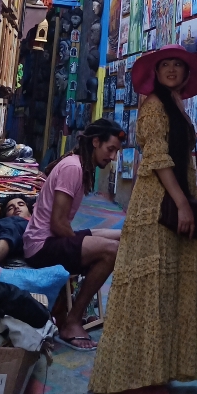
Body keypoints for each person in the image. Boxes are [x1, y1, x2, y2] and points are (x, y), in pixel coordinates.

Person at [89, 45, 197, 394]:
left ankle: (156, 370)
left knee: (167, 287)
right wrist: (182, 204)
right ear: (155, 73)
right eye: (165, 65)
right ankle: (136, 378)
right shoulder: (154, 106)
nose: (171, 70)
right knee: (149, 289)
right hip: (158, 204)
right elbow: (157, 159)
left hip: (173, 199)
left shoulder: (176, 104)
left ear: (185, 74)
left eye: (177, 65)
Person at [24, 118, 124, 350]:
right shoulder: (73, 168)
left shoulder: (78, 166)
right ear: (96, 142)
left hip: (53, 238)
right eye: (110, 149)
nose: (112, 157)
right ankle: (72, 322)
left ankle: (71, 313)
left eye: (116, 152)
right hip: (41, 245)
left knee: (118, 237)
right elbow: (59, 224)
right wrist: (85, 249)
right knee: (111, 251)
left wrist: (88, 243)